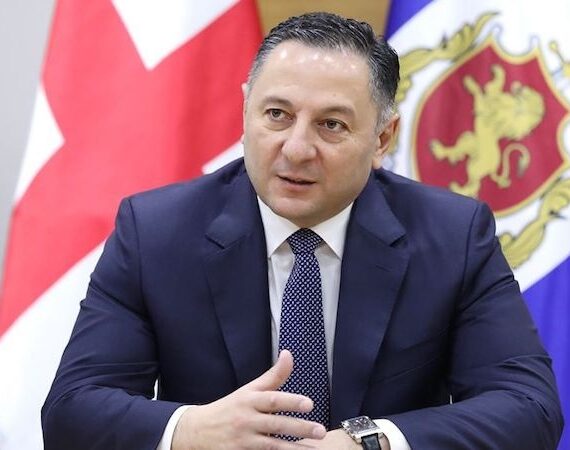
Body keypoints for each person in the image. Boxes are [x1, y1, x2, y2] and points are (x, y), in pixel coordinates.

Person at [42, 11, 563, 450]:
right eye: (277, 114)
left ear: (383, 138)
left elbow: (529, 407)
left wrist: (371, 441)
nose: (295, 149)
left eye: (331, 125)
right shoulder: (156, 232)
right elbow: (71, 409)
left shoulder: (453, 236)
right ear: (245, 110)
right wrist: (192, 430)